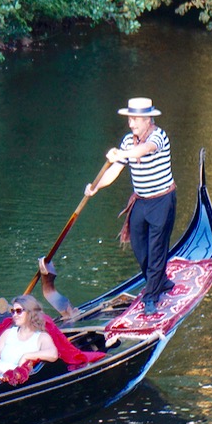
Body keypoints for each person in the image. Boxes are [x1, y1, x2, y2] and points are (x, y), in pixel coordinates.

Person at [84, 97, 177, 314]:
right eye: (130, 119)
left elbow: (144, 150)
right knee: (138, 247)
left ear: (148, 119)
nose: (131, 124)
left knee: (156, 251)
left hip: (162, 201)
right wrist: (96, 186)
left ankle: (151, 296)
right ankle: (160, 280)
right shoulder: (128, 141)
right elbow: (115, 170)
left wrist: (122, 153)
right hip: (141, 202)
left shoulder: (158, 136)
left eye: (135, 119)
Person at [0, 294, 58, 378]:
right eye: (13, 311)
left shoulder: (42, 337)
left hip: (15, 380)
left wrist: (26, 356)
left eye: (19, 311)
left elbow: (53, 354)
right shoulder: (8, 333)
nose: (14, 315)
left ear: (30, 312)